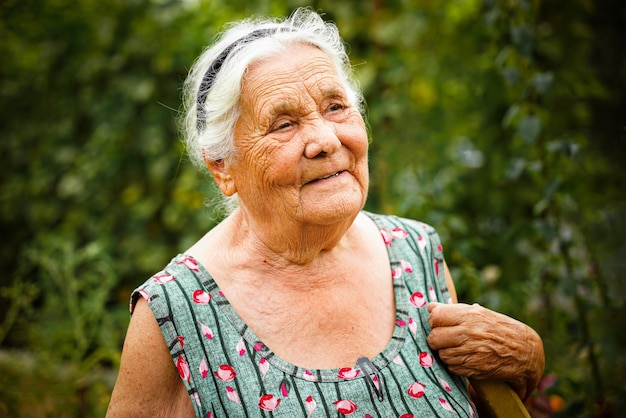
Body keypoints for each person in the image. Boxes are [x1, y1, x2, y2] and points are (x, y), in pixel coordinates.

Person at [106, 8, 544, 418]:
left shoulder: (416, 252)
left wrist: (527, 360)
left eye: (335, 107)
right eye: (283, 124)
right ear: (223, 167)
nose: (325, 140)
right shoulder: (176, 312)